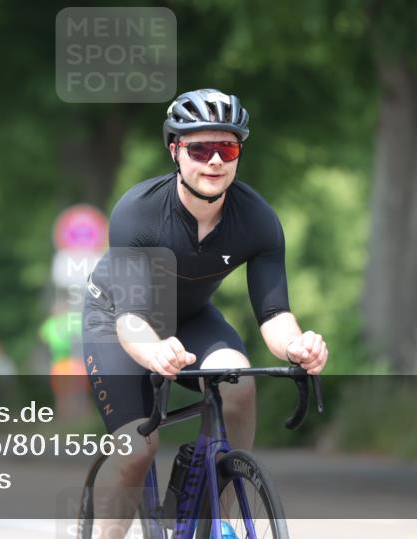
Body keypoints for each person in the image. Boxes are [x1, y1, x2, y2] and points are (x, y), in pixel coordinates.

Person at [81, 88, 329, 538]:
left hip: (190, 319)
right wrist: (154, 353)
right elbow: (131, 321)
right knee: (137, 450)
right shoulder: (139, 214)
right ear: (176, 151)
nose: (215, 160)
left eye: (227, 148)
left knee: (239, 384)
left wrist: (298, 345)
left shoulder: (257, 219)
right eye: (201, 148)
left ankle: (218, 520)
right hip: (119, 320)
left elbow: (274, 314)